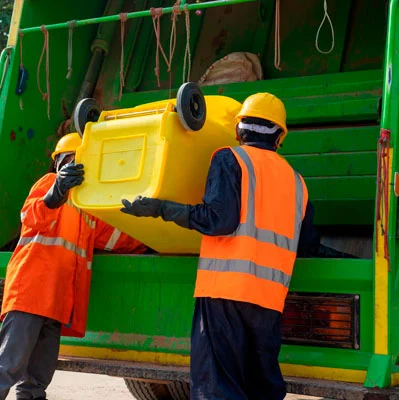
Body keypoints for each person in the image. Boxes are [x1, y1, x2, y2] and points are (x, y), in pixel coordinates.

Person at [120, 93, 314, 400]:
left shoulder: (230, 158)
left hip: (224, 293)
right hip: (269, 302)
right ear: (280, 137)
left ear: (238, 131)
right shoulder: (298, 182)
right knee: (260, 388)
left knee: (218, 389)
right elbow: (306, 244)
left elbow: (217, 220)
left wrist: (160, 208)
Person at [0, 133, 146, 400]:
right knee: (7, 367)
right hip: (30, 295)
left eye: (79, 160)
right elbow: (29, 215)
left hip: (56, 301)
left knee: (37, 378)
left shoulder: (88, 207)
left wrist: (151, 237)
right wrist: (55, 193)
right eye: (68, 160)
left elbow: (117, 238)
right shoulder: (47, 184)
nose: (73, 166)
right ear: (58, 164)